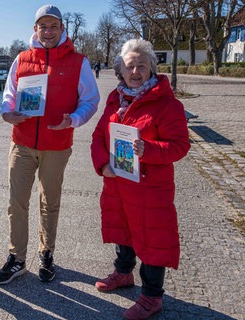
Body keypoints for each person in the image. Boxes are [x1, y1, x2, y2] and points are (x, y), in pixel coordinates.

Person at [0, 4, 100, 285]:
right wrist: (8, 113)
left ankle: (46, 254)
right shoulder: (22, 59)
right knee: (16, 202)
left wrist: (74, 120)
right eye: (43, 26)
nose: (48, 31)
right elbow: (9, 95)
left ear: (62, 29)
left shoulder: (79, 62)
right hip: (23, 142)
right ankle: (16, 258)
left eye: (54, 26)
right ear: (35, 29)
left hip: (57, 144)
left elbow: (91, 100)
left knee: (49, 203)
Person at [90, 38, 190, 320]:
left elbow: (180, 146)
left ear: (152, 69)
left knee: (152, 238)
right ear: (120, 70)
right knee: (123, 230)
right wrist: (102, 164)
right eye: (130, 66)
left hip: (149, 188)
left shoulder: (167, 104)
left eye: (142, 66)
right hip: (118, 182)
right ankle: (123, 274)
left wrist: (149, 150)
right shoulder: (115, 99)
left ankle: (151, 296)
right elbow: (98, 137)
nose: (136, 72)